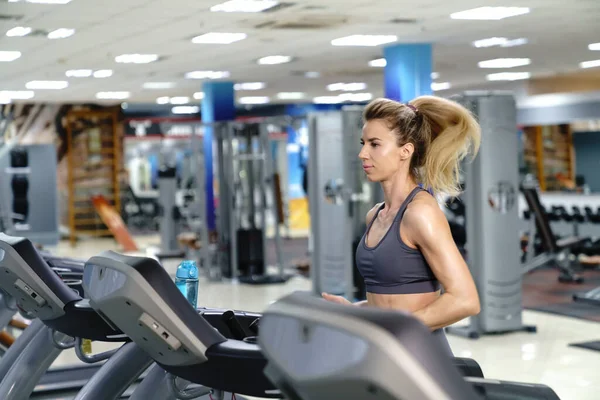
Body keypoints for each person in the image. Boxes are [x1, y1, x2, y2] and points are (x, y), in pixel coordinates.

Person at [321, 96, 482, 356]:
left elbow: (466, 300)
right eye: (363, 144)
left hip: (419, 355)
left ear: (405, 151)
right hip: (383, 352)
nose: (363, 153)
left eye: (375, 144)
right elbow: (391, 302)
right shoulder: (375, 216)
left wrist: (396, 329)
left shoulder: (420, 213)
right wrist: (355, 311)